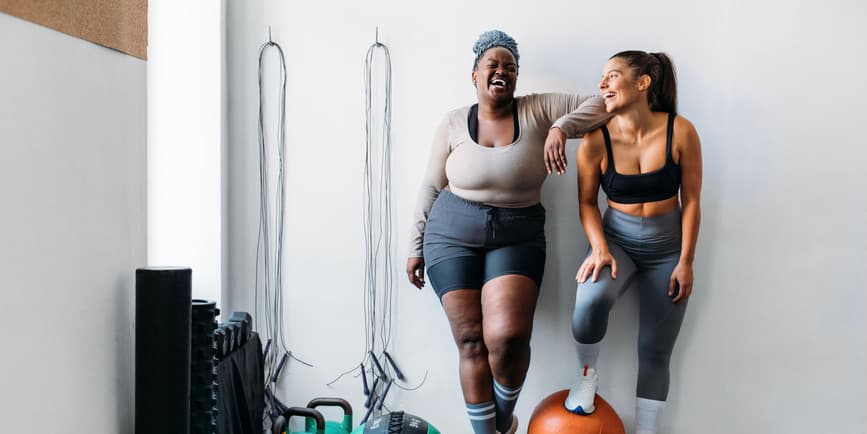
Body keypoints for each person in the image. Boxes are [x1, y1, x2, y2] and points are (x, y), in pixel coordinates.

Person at [404, 30, 609, 434]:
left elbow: (601, 104)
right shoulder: (451, 122)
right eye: (492, 65)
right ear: (475, 75)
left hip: (517, 232)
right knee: (470, 342)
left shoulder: (537, 108)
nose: (502, 72)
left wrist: (562, 128)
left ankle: (502, 422)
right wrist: (415, 246)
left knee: (508, 339)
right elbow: (430, 185)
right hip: (450, 234)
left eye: (510, 67)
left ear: (517, 77)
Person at [564, 50, 702, 434]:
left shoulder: (682, 131)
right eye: (603, 77)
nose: (602, 84)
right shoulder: (595, 141)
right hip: (616, 243)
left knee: (655, 351)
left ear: (642, 83)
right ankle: (586, 376)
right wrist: (599, 247)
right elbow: (586, 203)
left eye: (612, 75)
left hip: (668, 251)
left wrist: (686, 261)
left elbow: (691, 201)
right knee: (589, 302)